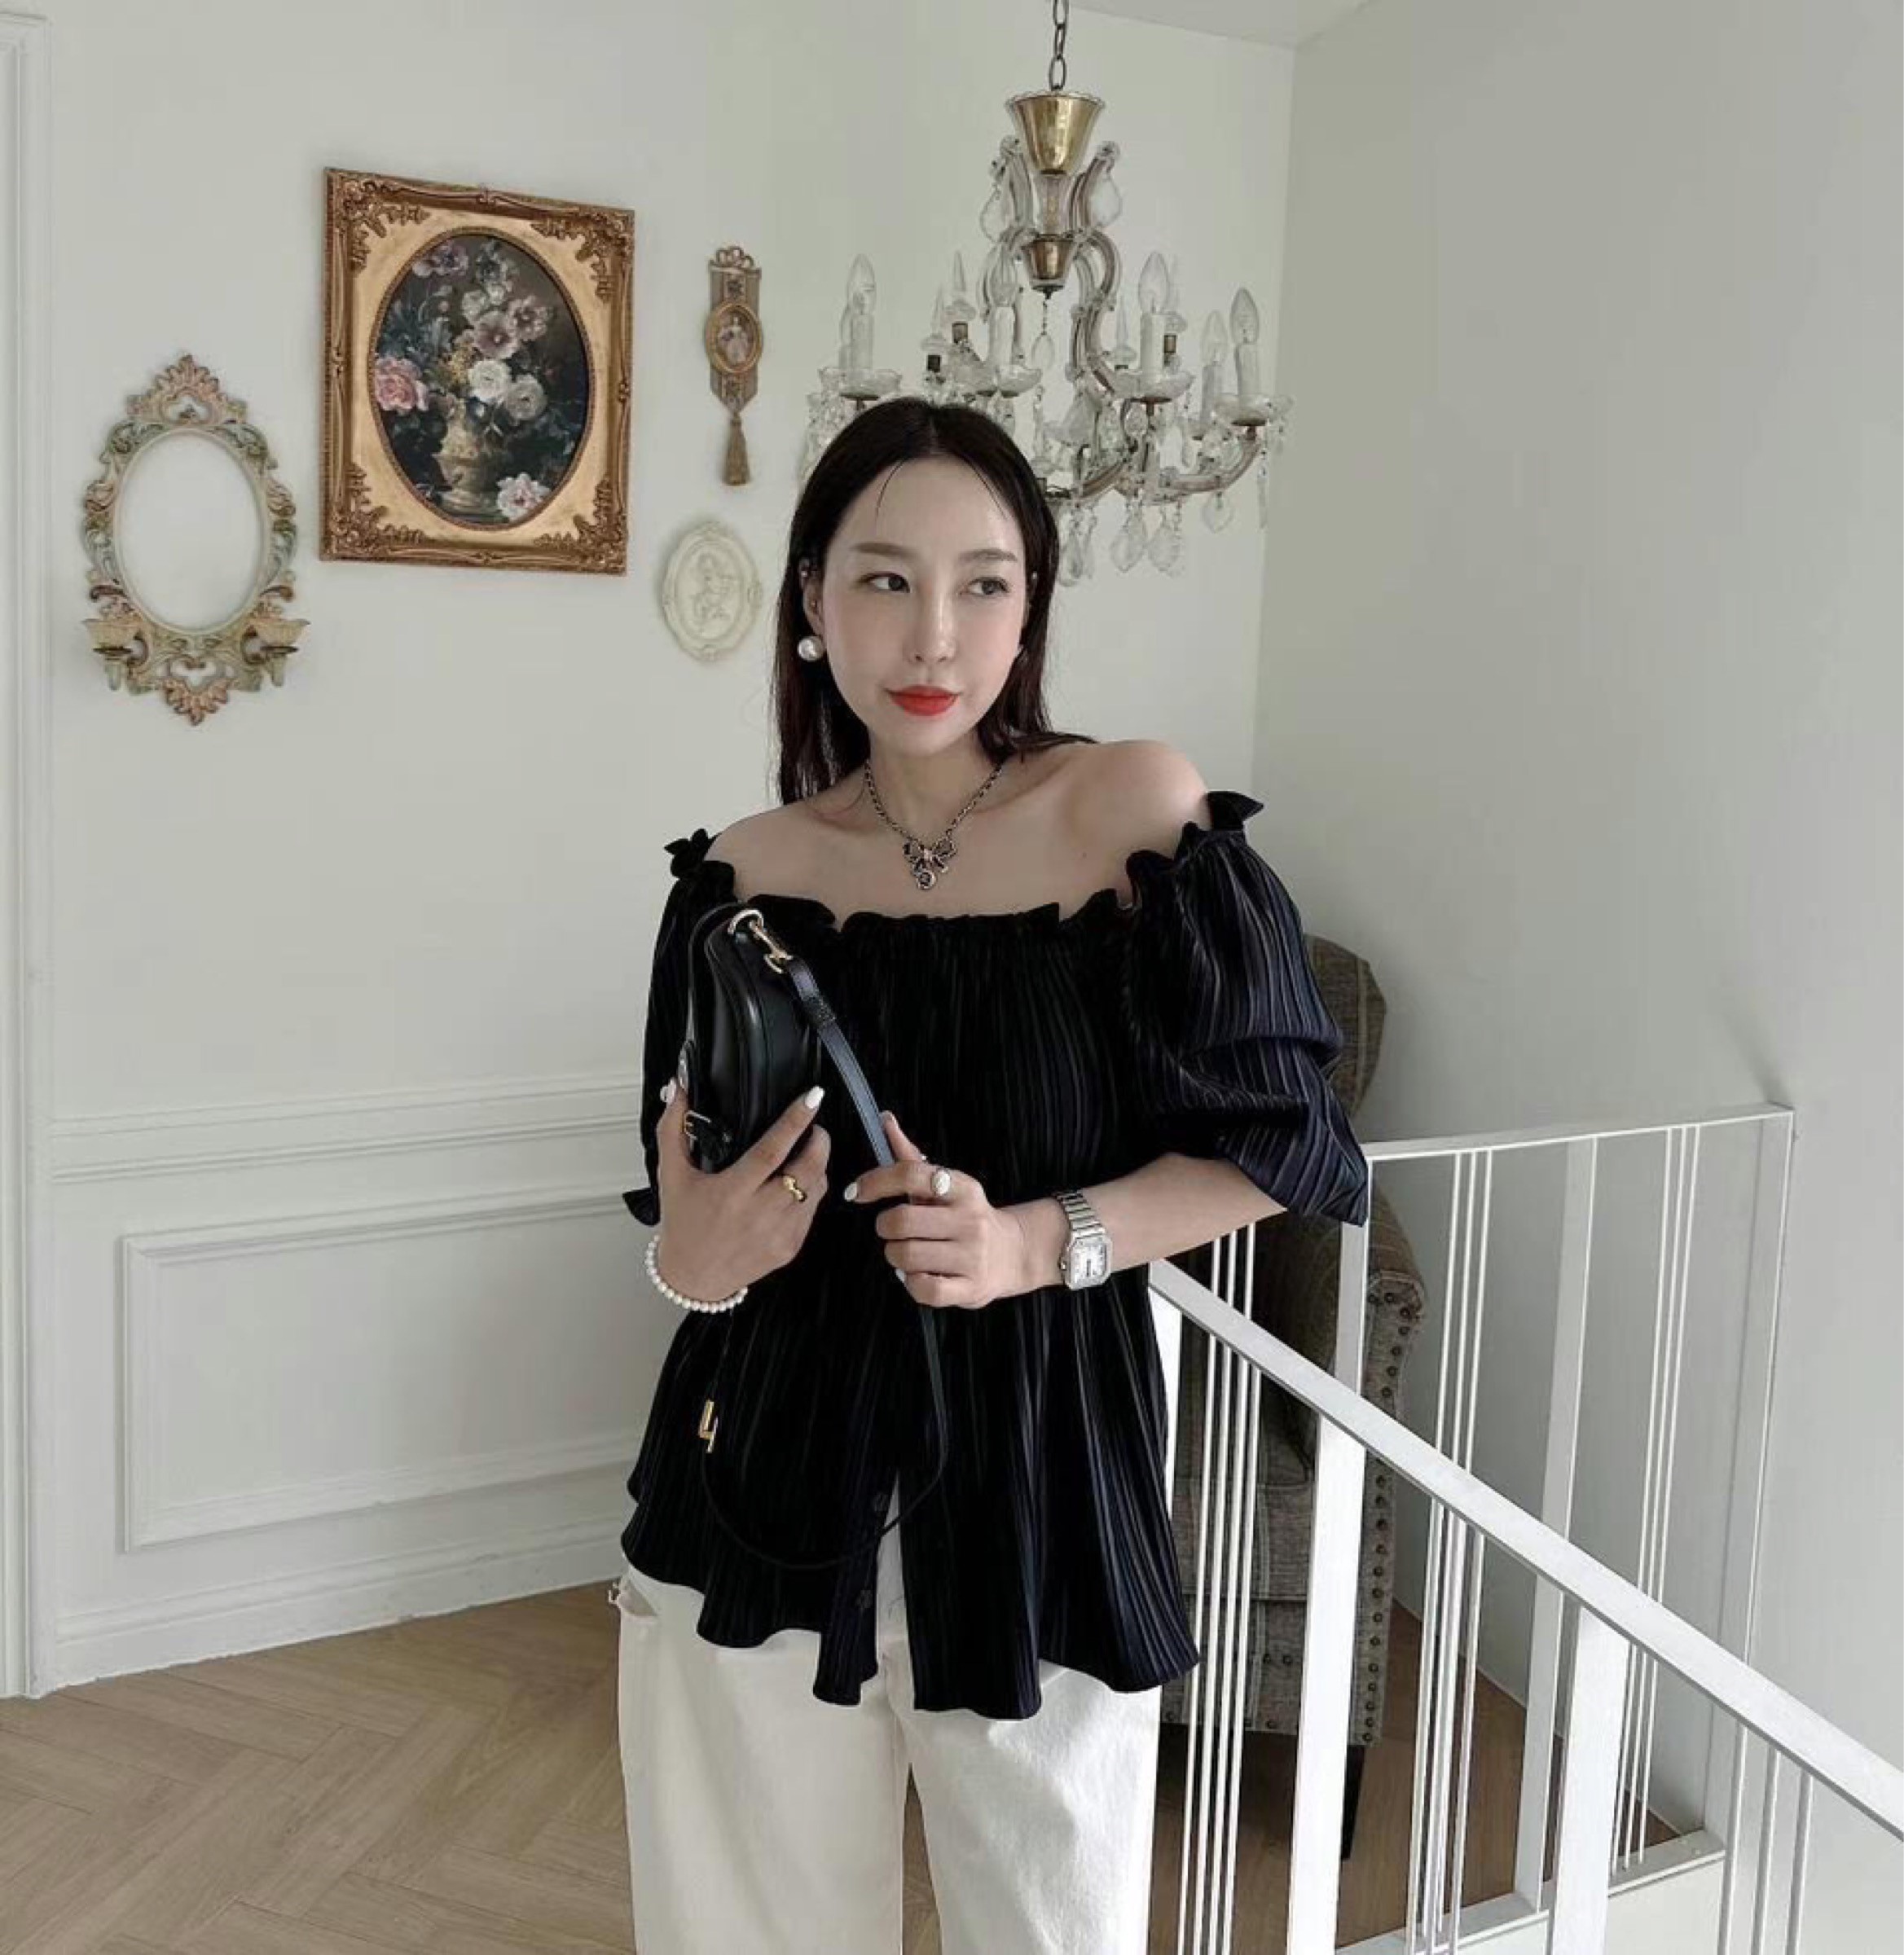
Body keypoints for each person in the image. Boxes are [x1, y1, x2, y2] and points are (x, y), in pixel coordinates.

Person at [612, 397, 1370, 1954]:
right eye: (884, 580)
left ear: (1030, 610)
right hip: (759, 1466)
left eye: (984, 583)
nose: (932, 636)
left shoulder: (1130, 814)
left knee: (1049, 1919)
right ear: (812, 601)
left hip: (1043, 1468)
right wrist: (695, 1257)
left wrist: (1036, 1240)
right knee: (741, 1925)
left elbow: (1284, 1144)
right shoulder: (743, 876)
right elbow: (684, 1218)